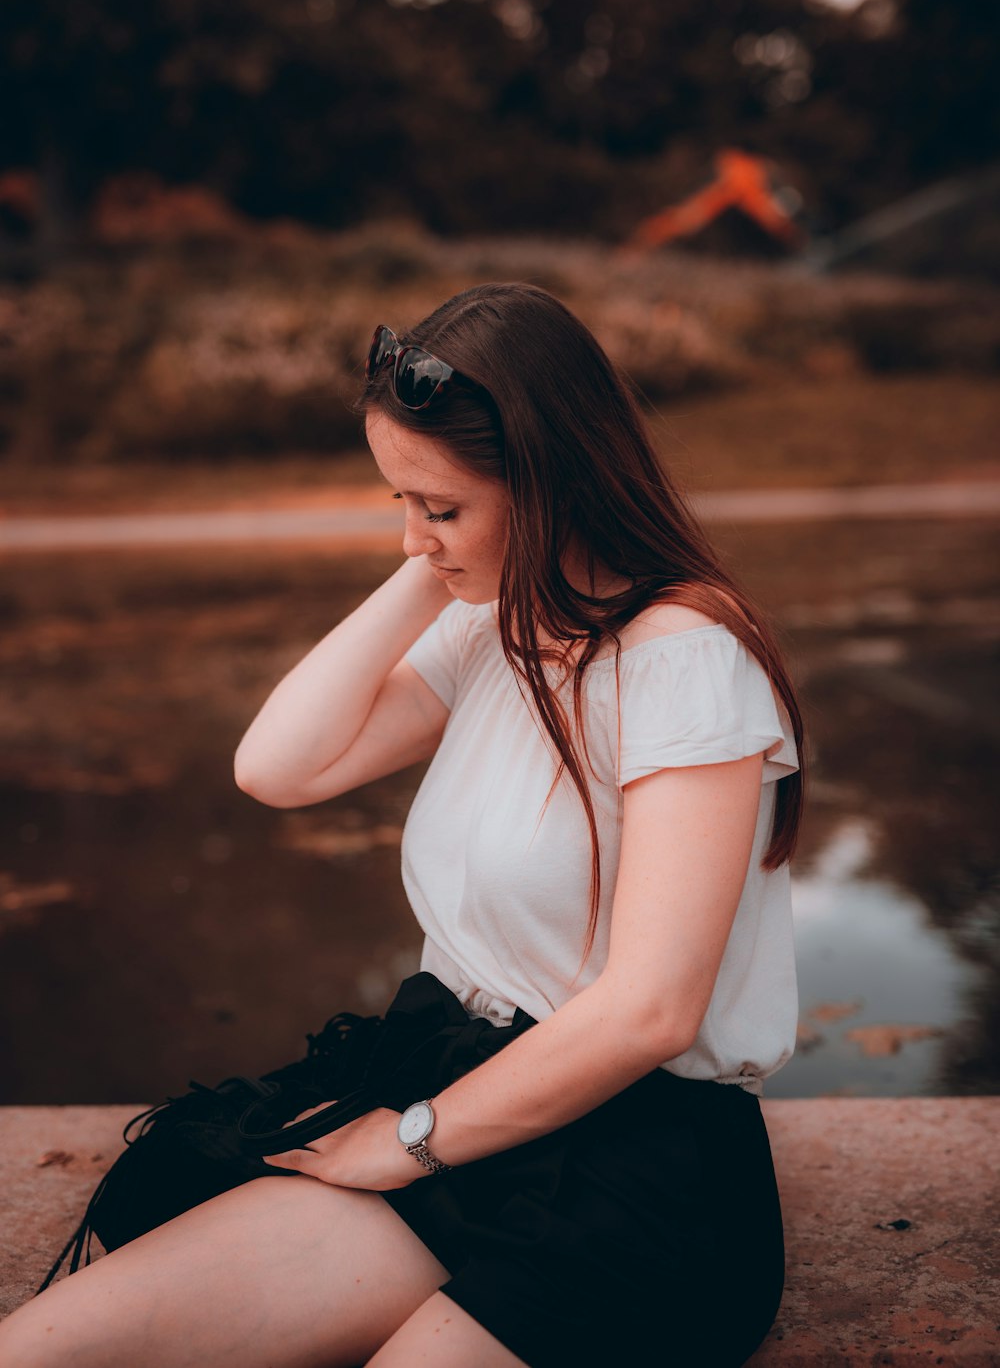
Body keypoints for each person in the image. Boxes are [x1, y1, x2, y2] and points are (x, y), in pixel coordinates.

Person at [0, 281, 805, 1367]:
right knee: (47, 1348)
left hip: (631, 1160)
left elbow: (651, 1011)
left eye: (439, 505)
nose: (415, 536)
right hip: (462, 1089)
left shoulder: (684, 659)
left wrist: (412, 1142)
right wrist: (434, 562)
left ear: (556, 482)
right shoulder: (494, 628)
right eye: (397, 501)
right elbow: (278, 768)